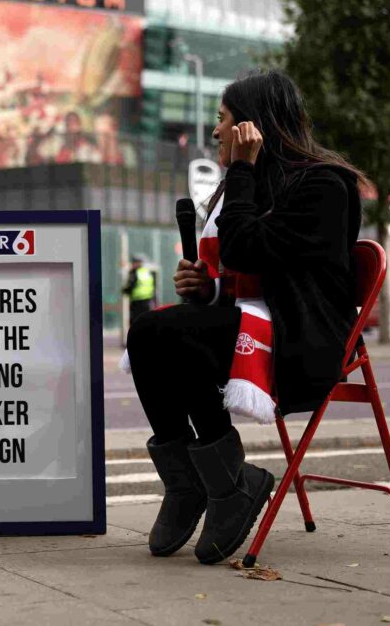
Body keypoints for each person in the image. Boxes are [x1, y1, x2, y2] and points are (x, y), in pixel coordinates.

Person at [125, 69, 365, 565]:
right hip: (253, 326)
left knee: (174, 335)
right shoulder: (255, 184)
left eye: (223, 120)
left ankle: (225, 483)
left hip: (302, 342)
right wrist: (207, 285)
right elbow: (245, 271)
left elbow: (245, 247)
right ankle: (194, 482)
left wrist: (242, 171)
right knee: (147, 332)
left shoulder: (324, 185)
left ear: (254, 127)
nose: (215, 132)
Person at [122, 254, 156, 325]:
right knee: (145, 321)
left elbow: (130, 286)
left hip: (137, 302)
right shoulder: (147, 272)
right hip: (147, 301)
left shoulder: (135, 273)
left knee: (135, 322)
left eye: (133, 262)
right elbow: (153, 286)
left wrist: (124, 291)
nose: (132, 264)